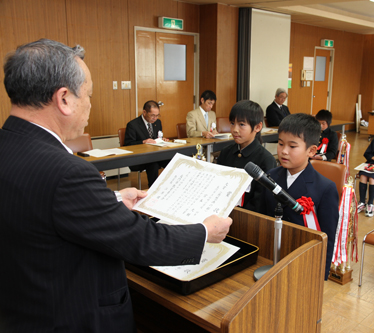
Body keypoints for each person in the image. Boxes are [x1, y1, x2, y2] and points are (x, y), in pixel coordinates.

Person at [0, 39, 232, 332]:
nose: (90, 104)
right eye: (88, 95)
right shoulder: (68, 173)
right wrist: (203, 232)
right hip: (72, 315)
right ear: (63, 99)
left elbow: (41, 208)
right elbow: (141, 240)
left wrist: (111, 199)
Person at [262, 113, 339, 280]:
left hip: (303, 264)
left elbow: (327, 238)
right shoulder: (270, 177)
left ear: (311, 150)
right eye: (281, 144)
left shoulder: (325, 188)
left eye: (292, 146)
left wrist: (321, 275)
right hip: (269, 258)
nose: (283, 151)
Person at [217, 100, 277, 214]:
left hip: (247, 219)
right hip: (221, 213)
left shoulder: (266, 159)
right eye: (232, 123)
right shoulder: (226, 153)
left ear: (258, 127)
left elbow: (260, 202)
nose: (235, 129)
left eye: (242, 124)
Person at [124, 100, 169, 187]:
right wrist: (143, 142)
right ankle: (153, 188)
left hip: (155, 154)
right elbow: (128, 145)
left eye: (157, 115)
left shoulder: (157, 123)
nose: (155, 118)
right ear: (144, 112)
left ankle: (168, 186)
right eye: (152, 115)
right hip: (140, 158)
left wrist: (161, 139)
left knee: (172, 159)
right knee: (153, 164)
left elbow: (157, 138)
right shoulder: (133, 125)